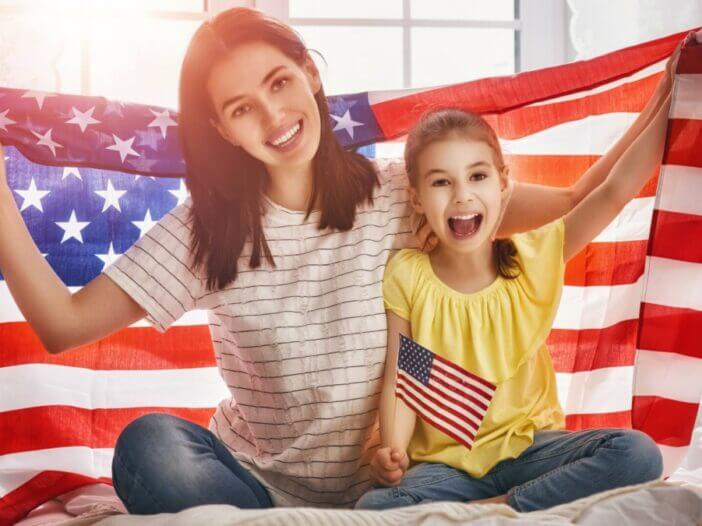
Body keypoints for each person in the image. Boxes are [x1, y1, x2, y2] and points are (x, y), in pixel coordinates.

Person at [0, 7, 680, 514]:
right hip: (254, 484)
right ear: (220, 129)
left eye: (280, 82)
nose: (272, 116)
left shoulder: (400, 193)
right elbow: (62, 322)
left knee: (626, 455)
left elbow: (576, 200)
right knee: (149, 448)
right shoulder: (206, 232)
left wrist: (676, 85)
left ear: (311, 73)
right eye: (241, 108)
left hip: (393, 488)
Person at [355, 54, 680, 510]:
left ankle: (502, 507)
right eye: (441, 182)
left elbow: (613, 189)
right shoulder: (408, 274)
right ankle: (507, 507)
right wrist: (392, 448)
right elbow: (405, 372)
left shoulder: (532, 257)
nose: (463, 194)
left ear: (503, 184)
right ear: (417, 198)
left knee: (638, 454)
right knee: (374, 509)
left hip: (532, 451)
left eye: (478, 176)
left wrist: (674, 92)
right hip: (447, 468)